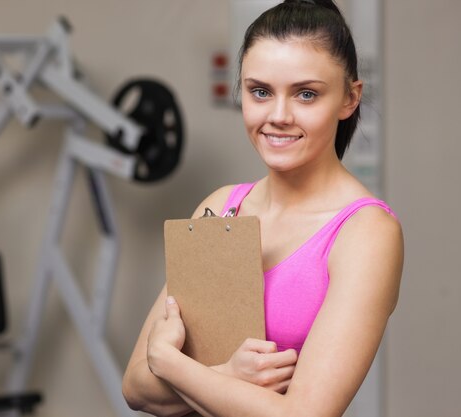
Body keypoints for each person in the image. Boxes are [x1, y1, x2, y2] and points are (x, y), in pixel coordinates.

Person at [122, 0, 404, 416]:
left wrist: (170, 364)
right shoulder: (222, 208)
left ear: (349, 99)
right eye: (260, 92)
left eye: (306, 94)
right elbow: (136, 388)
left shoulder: (366, 232)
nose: (278, 116)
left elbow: (305, 414)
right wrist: (227, 374)